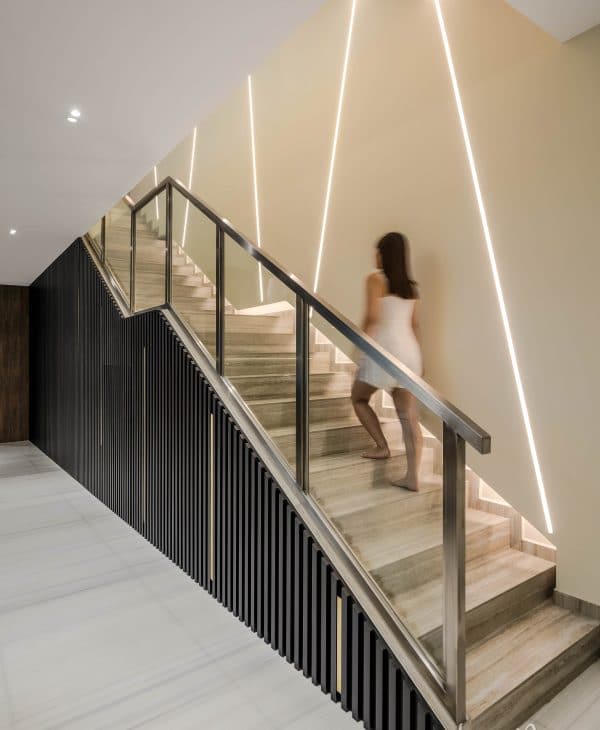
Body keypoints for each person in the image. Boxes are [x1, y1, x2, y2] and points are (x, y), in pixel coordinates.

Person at [351, 232, 423, 491]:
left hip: (383, 350)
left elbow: (372, 317)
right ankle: (412, 477)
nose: (375, 256)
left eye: (378, 251)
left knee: (358, 398)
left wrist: (359, 346)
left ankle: (382, 446)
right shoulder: (410, 287)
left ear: (385, 254)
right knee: (408, 417)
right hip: (409, 351)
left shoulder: (375, 279)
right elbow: (414, 325)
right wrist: (420, 361)